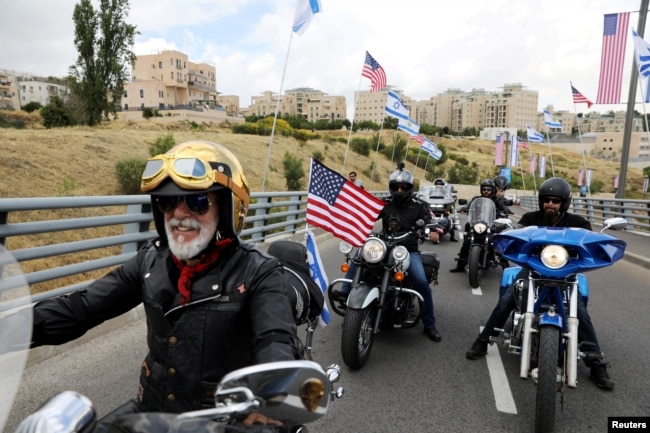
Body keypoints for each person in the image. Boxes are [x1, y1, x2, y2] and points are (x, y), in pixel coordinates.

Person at [25, 141, 302, 428]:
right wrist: (17, 327)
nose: (179, 215)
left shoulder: (258, 272)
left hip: (220, 420)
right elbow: (83, 306)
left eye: (197, 202)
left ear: (230, 208)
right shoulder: (150, 261)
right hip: (151, 412)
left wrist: (272, 394)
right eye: (168, 202)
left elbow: (275, 341)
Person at [465, 177, 614, 391]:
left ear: (564, 202)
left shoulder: (578, 223)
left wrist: (596, 242)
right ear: (541, 201)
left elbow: (587, 242)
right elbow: (519, 234)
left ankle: (595, 362)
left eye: (555, 201)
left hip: (566, 274)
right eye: (547, 200)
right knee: (509, 297)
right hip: (533, 270)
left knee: (580, 310)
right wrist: (506, 230)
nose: (550, 204)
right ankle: (484, 339)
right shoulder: (530, 218)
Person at [334, 163, 442, 342]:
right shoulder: (385, 203)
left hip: (406, 250)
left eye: (403, 187)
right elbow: (366, 214)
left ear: (409, 188)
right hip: (384, 245)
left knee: (421, 282)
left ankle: (429, 324)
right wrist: (350, 217)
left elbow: (431, 221)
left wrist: (433, 231)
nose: (399, 190)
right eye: (396, 187)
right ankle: (345, 293)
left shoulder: (419, 205)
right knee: (360, 255)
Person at [449, 179, 512, 272]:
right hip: (477, 223)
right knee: (467, 240)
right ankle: (461, 265)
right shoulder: (476, 199)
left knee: (497, 241)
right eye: (484, 189)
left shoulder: (497, 200)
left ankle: (505, 266)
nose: (486, 191)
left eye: (488, 189)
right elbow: (469, 206)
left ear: (492, 190)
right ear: (481, 189)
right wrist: (463, 209)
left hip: (491, 223)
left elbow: (503, 206)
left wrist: (506, 210)